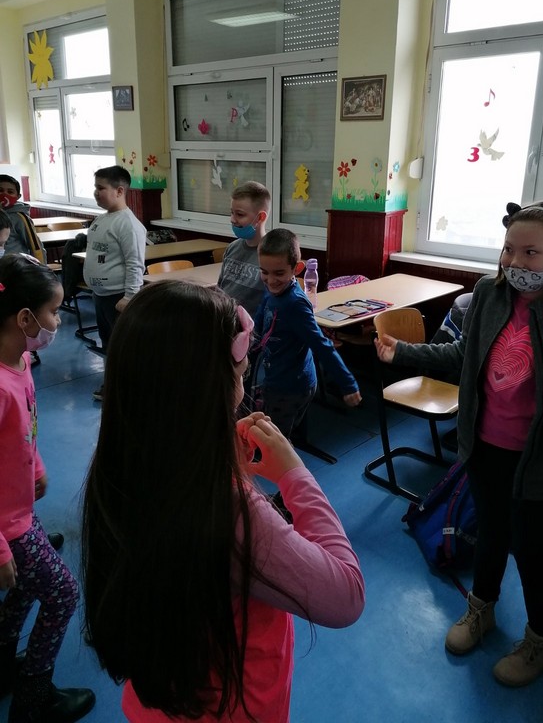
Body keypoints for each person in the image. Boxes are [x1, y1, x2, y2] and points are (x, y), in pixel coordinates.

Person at [81, 281, 365, 722]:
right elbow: (345, 596)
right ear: (212, 386)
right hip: (234, 709)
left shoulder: (122, 463)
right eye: (240, 374)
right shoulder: (229, 510)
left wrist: (222, 459)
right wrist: (295, 473)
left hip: (156, 704)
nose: (243, 385)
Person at [375, 200, 543, 688]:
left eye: (531, 252)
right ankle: (482, 608)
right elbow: (463, 353)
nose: (515, 262)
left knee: (532, 552)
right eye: (508, 250)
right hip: (484, 448)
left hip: (542, 462)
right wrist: (404, 351)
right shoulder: (488, 294)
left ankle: (539, 642)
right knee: (491, 535)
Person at [0, 254, 95, 723]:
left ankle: (2, 661)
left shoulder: (19, 360)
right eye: (54, 312)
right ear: (25, 318)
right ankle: (33, 698)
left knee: (26, 584)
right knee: (62, 595)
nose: (58, 322)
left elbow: (26, 427)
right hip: (7, 526)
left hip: (18, 510)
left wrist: (34, 464)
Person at [254, 228, 361, 438]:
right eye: (264, 272)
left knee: (276, 440)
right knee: (274, 434)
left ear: (297, 269)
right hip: (275, 377)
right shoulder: (272, 291)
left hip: (291, 386)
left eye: (279, 273)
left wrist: (347, 383)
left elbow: (322, 345)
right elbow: (260, 319)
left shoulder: (295, 304)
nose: (270, 280)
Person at [83, 165, 146, 401]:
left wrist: (129, 297)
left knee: (123, 346)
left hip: (118, 297)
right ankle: (113, 384)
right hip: (100, 295)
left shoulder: (128, 224)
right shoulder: (101, 220)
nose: (96, 192)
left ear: (119, 191)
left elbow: (135, 263)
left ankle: (127, 389)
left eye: (101, 188)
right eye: (95, 187)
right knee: (108, 343)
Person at [218, 181, 271, 315]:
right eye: (232, 213)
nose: (232, 219)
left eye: (240, 214)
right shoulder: (232, 248)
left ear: (260, 217)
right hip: (226, 320)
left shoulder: (273, 253)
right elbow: (220, 291)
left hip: (253, 325)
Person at [0, 175, 47, 263]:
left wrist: (41, 267)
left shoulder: (20, 217)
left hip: (14, 266)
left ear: (18, 196)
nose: (4, 194)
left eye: (10, 192)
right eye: (0, 190)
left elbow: (35, 247)